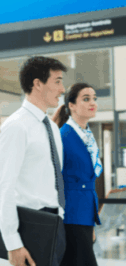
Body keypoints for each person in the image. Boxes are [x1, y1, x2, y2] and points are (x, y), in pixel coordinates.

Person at [0, 56, 68, 266]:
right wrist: (13, 243)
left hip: (55, 221)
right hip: (30, 226)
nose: (62, 89)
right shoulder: (16, 126)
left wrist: (60, 215)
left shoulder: (52, 127)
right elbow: (4, 186)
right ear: (37, 83)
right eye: (57, 81)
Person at [52, 83, 102, 266]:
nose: (93, 103)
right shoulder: (63, 135)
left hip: (85, 213)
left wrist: (92, 220)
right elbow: (55, 178)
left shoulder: (87, 135)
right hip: (70, 214)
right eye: (86, 99)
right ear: (71, 105)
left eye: (94, 98)